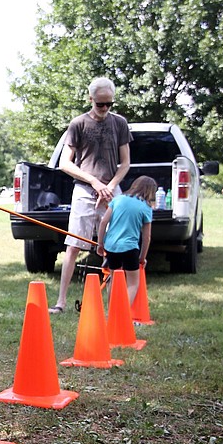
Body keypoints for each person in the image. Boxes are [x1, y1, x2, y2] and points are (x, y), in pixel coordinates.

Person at [49, 77, 132, 314]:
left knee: (116, 245)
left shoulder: (120, 124)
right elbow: (65, 163)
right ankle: (61, 302)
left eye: (109, 104)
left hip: (111, 191)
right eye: (100, 104)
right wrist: (95, 182)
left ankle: (115, 304)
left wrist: (110, 186)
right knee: (74, 245)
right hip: (85, 190)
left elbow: (125, 163)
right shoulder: (78, 124)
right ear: (91, 100)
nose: (105, 109)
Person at [96, 175, 156, 304]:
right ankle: (124, 313)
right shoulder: (146, 208)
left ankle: (112, 312)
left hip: (111, 246)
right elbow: (146, 237)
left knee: (114, 278)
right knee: (133, 283)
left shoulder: (118, 200)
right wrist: (142, 257)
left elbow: (103, 222)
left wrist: (100, 244)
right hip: (129, 247)